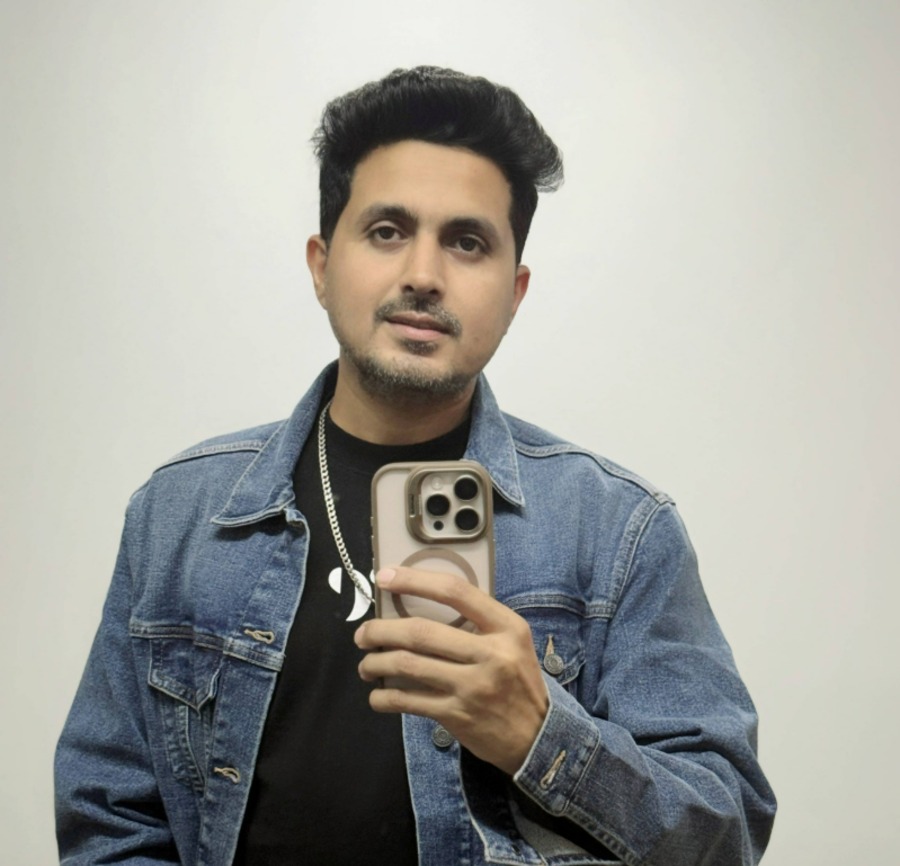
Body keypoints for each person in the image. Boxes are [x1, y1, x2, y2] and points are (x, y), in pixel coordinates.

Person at [55, 66, 776, 866]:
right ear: (321, 264)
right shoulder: (180, 513)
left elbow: (725, 834)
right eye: (387, 231)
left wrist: (541, 735)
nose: (424, 275)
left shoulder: (619, 532)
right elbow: (110, 815)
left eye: (467, 242)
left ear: (515, 291)